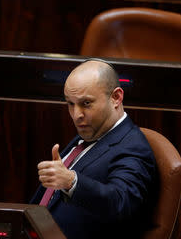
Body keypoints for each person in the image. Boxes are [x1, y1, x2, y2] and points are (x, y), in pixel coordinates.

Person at [30, 59, 157, 239]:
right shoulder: (89, 134)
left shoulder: (133, 147)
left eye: (86, 103)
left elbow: (120, 202)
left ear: (116, 98)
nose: (76, 115)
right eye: (70, 104)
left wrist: (71, 181)